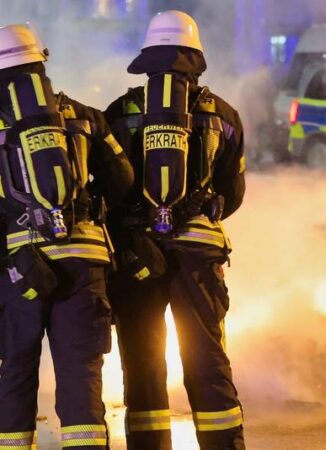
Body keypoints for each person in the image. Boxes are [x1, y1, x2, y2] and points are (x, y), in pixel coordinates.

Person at [104, 10, 246, 450]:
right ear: (196, 59)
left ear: (147, 58)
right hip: (198, 257)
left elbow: (107, 190)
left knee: (144, 365)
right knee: (207, 360)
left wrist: (133, 233)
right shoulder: (221, 114)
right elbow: (233, 193)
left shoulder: (120, 113)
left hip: (137, 259)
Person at [0, 23, 133, 450]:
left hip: (19, 270)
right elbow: (124, 181)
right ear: (42, 62)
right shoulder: (83, 116)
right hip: (83, 263)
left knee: (15, 372)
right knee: (80, 374)